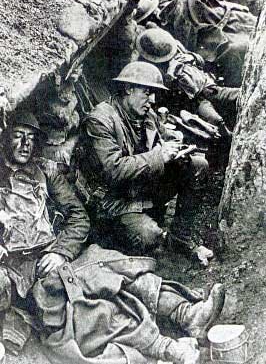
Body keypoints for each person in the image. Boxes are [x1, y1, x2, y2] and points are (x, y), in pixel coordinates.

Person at [84, 61, 212, 265]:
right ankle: (133, 241)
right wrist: (159, 156)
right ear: (128, 89)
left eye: (154, 94)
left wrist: (174, 148)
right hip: (114, 202)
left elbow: (161, 138)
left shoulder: (146, 114)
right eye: (147, 93)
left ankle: (180, 238)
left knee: (198, 167)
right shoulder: (100, 120)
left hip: (142, 188)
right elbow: (113, 170)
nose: (152, 100)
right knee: (149, 236)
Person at [33, 243, 225, 364]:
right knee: (95, 311)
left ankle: (188, 315)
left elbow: (77, 216)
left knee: (125, 272)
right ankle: (167, 349)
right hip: (38, 281)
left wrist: (61, 250)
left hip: (69, 257)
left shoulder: (46, 176)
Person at [0, 111, 90, 354]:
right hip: (9, 266)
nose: (24, 144)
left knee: (88, 294)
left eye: (30, 138)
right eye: (18, 136)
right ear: (5, 138)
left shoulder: (46, 172)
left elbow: (78, 217)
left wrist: (61, 252)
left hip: (46, 260)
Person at [136, 27, 239, 131]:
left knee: (236, 95)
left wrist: (192, 57)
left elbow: (201, 61)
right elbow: (163, 97)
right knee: (216, 120)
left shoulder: (175, 47)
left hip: (207, 85)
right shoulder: (148, 69)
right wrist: (171, 76)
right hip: (193, 101)